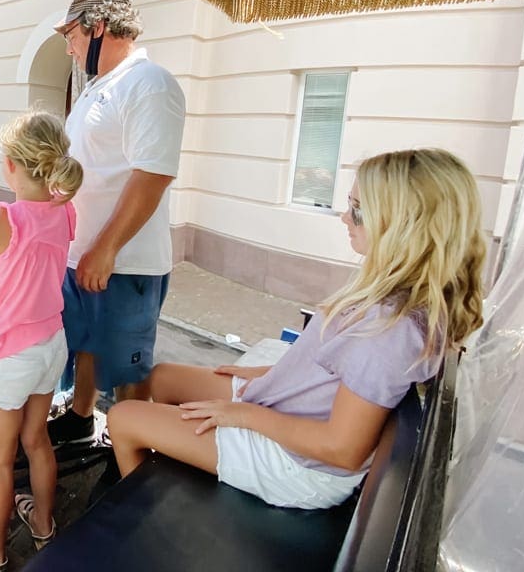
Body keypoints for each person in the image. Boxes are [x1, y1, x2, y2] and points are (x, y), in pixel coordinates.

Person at [107, 148, 485, 509]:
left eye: (357, 209)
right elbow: (332, 373)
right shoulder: (388, 299)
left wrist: (243, 415)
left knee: (122, 418)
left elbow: (343, 449)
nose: (344, 217)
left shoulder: (389, 332)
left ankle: (141, 516)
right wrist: (270, 374)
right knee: (162, 378)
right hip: (298, 411)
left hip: (301, 465)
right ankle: (172, 462)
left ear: (403, 226)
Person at [47, 0, 186, 445]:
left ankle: (131, 450)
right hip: (81, 253)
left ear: (99, 26)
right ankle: (82, 418)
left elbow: (153, 174)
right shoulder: (96, 89)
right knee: (86, 345)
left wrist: (105, 249)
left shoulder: (148, 83)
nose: (69, 48)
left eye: (71, 35)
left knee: (130, 365)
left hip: (125, 262)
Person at [0, 112, 84, 572]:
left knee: (0, 460)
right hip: (52, 345)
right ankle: (44, 527)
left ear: (11, 165)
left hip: (9, 357)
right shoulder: (66, 210)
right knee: (38, 439)